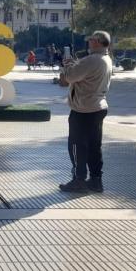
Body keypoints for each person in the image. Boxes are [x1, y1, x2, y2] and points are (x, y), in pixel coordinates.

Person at [58, 30, 113, 193]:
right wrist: (77, 64)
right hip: (98, 107)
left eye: (91, 39)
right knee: (94, 146)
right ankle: (96, 180)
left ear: (98, 42)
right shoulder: (106, 59)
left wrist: (67, 63)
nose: (88, 42)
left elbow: (69, 77)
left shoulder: (91, 60)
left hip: (83, 109)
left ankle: (79, 179)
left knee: (76, 145)